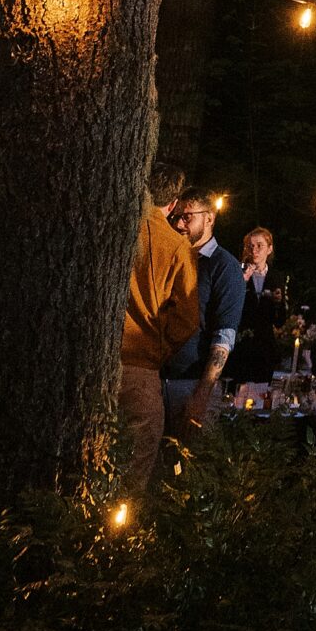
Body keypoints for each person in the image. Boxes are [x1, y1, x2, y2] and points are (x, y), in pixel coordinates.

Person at [118, 160, 199, 489]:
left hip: (97, 363)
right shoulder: (176, 245)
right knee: (136, 466)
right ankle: (119, 535)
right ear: (174, 202)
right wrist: (161, 349)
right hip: (141, 365)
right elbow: (187, 318)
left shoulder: (115, 227)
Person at [161, 190, 247, 437]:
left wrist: (202, 393)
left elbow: (224, 336)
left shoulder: (223, 266)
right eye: (176, 217)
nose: (178, 224)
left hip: (192, 382)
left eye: (187, 217)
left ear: (209, 218)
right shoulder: (174, 258)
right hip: (159, 378)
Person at [229, 226, 286, 386]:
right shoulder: (238, 273)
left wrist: (278, 303)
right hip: (241, 349)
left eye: (259, 245)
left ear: (269, 249)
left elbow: (280, 321)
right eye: (250, 246)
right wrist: (241, 283)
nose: (254, 250)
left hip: (264, 350)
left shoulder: (276, 277)